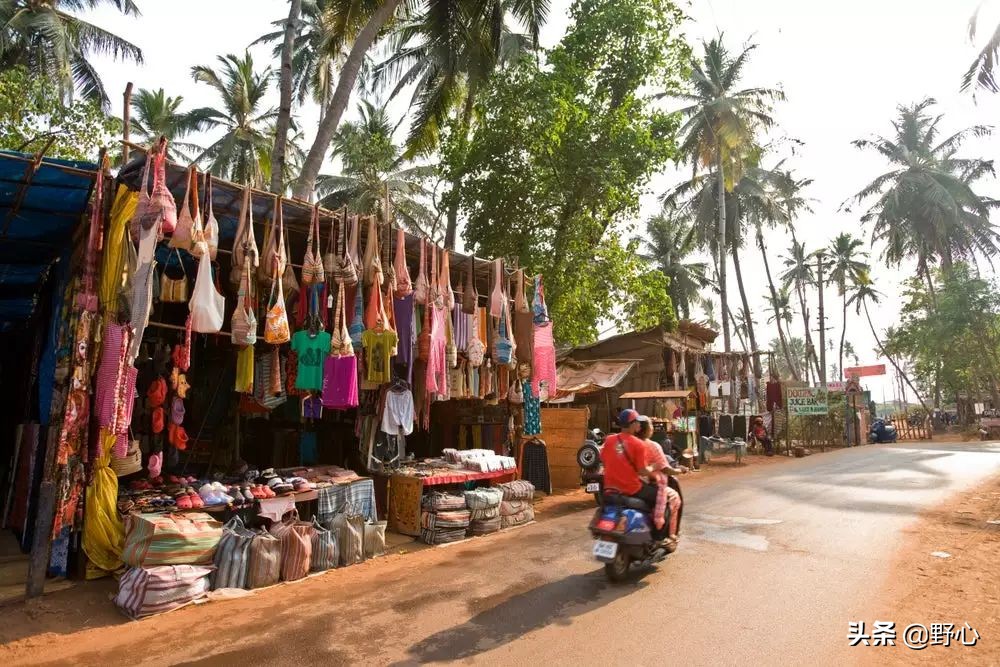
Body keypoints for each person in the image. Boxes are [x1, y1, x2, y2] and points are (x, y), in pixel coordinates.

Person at [599, 409, 661, 533]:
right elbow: (642, 471)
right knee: (658, 495)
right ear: (632, 424)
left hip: (610, 489)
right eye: (637, 422)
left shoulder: (609, 440)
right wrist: (654, 467)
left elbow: (604, 460)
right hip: (630, 489)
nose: (639, 424)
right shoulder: (638, 444)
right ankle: (656, 532)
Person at [637, 416, 683, 545]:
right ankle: (668, 534)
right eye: (651, 425)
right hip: (650, 484)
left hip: (631, 484)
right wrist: (680, 471)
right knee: (674, 498)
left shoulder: (628, 443)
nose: (652, 428)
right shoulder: (652, 446)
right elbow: (665, 468)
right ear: (645, 429)